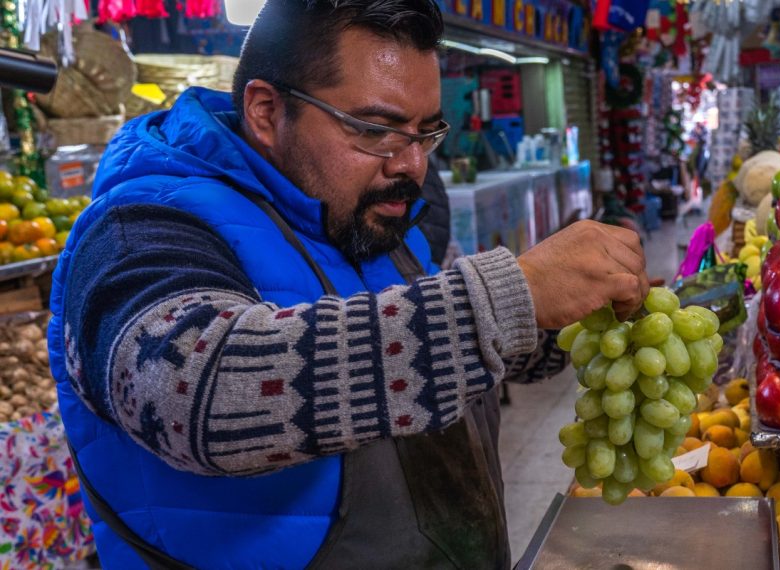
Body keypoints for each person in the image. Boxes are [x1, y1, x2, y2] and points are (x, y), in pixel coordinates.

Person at [46, 0, 649, 568]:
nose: (410, 164)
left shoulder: (363, 216)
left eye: (425, 132)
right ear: (265, 111)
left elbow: (408, 353)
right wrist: (508, 297)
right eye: (375, 128)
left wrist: (554, 324)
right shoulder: (139, 228)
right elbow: (192, 392)